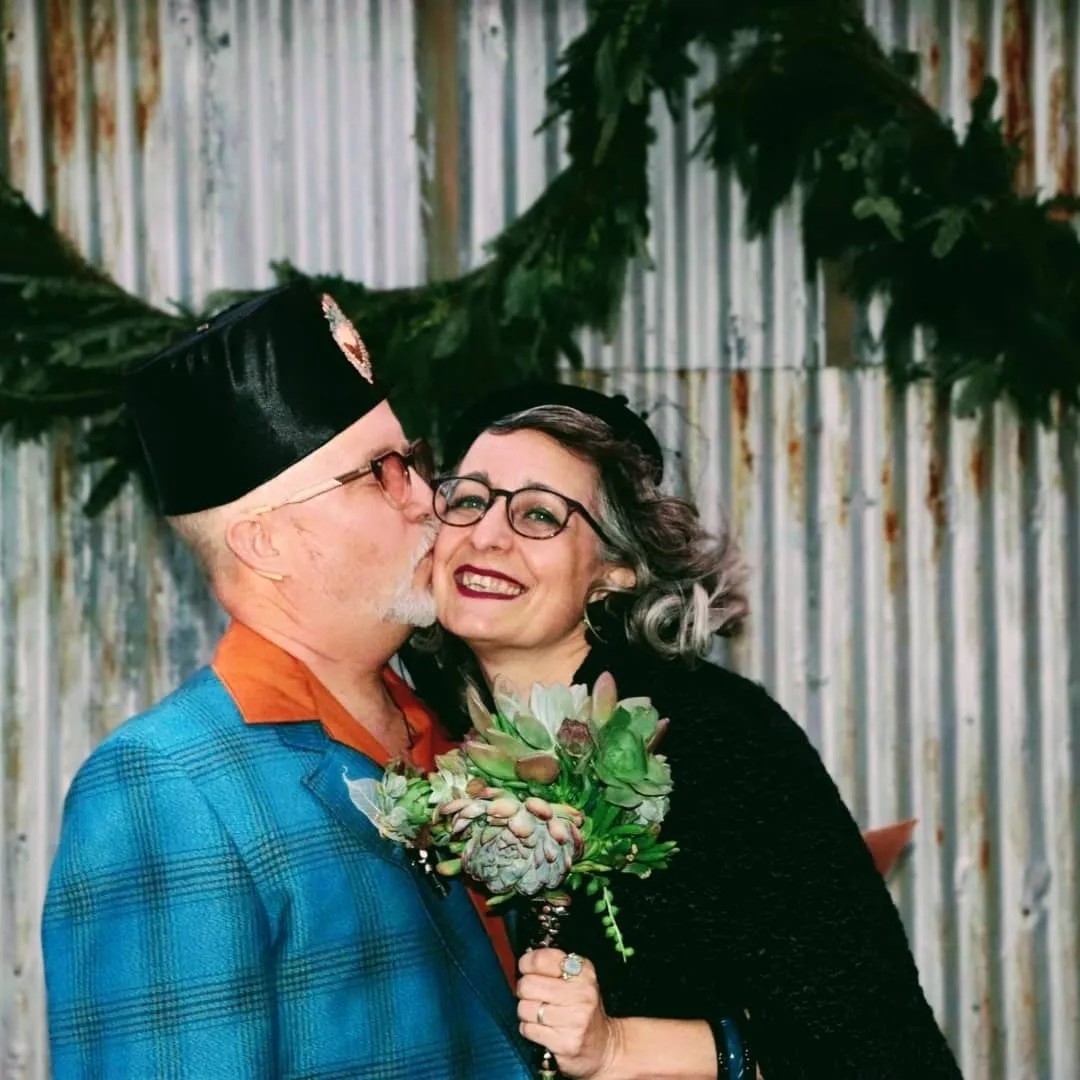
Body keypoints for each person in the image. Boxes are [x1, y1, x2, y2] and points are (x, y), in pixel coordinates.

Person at [41, 284, 532, 1079]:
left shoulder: (454, 729)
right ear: (266, 542)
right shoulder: (165, 787)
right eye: (381, 474)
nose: (428, 502)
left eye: (414, 463)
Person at [408, 381, 963, 1079]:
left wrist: (620, 1048)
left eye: (540, 515)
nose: (487, 534)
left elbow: (879, 1045)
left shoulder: (712, 737)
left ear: (613, 570)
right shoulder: (416, 725)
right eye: (467, 499)